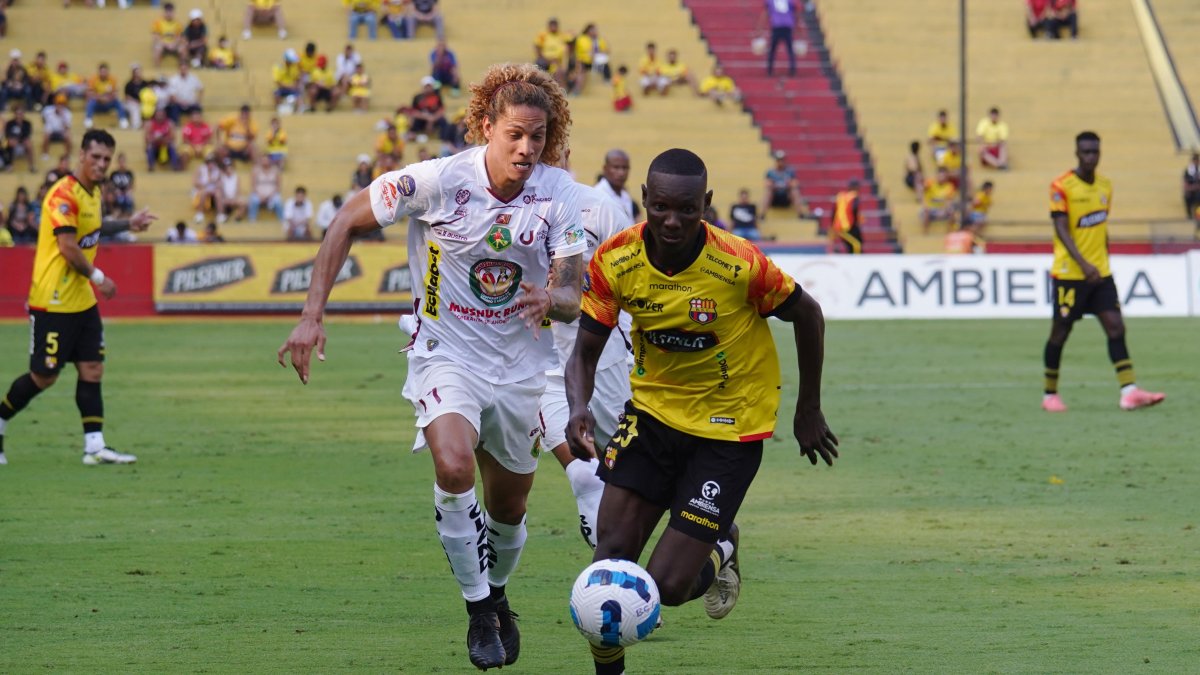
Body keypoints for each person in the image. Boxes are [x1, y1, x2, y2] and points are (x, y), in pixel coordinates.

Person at [277, 62, 585, 671]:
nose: (527, 148)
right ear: (485, 127)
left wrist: (554, 297)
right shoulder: (438, 181)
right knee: (450, 463)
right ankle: (477, 610)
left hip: (523, 367)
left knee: (511, 509)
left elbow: (574, 291)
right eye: (515, 134)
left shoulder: (560, 195)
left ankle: (497, 594)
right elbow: (345, 220)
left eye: (538, 137)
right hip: (446, 354)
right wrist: (312, 315)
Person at [564, 148, 838, 675]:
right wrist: (579, 407)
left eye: (687, 209)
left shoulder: (738, 263)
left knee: (667, 587)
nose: (672, 220)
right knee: (608, 564)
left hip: (730, 428)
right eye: (661, 206)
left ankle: (723, 546)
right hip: (652, 415)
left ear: (706, 205)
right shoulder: (615, 259)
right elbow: (585, 350)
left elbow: (808, 313)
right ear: (644, 200)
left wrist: (809, 409)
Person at [0, 129, 156, 467]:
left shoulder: (93, 193)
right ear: (81, 156)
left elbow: (94, 227)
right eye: (96, 157)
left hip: (81, 301)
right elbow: (68, 247)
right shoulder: (63, 195)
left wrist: (130, 223)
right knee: (44, 376)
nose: (101, 164)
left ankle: (94, 447)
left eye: (106, 159)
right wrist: (101, 278)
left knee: (92, 368)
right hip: (52, 300)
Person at [534, 180, 634, 551]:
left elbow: (637, 284)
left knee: (641, 471)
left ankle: (718, 537)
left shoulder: (599, 208)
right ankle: (620, 592)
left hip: (604, 363)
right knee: (587, 479)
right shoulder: (500, 211)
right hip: (538, 369)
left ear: (565, 150)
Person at [1042, 132, 1165, 413]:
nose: (1090, 157)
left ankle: (1129, 391)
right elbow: (1061, 228)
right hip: (1070, 275)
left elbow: (1100, 227)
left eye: (1094, 152)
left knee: (1116, 326)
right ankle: (1050, 394)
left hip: (1100, 274)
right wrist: (1084, 265)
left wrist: (1101, 262)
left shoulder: (1105, 186)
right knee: (1060, 332)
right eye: (1085, 152)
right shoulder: (1061, 186)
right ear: (1077, 153)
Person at [760, 149, 808, 220]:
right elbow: (767, 184)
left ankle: (800, 214)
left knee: (794, 191)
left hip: (786, 197)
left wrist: (781, 185)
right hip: (775, 197)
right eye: (779, 160)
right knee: (768, 192)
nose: (780, 162)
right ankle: (762, 215)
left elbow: (795, 184)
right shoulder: (770, 172)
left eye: (782, 160)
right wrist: (782, 185)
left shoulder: (790, 171)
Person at [594, 149, 638, 223]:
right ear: (605, 168)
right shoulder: (597, 195)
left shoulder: (625, 195)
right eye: (616, 167)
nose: (621, 173)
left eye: (625, 168)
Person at [84, 63, 130, 130]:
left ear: (107, 72)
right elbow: (90, 93)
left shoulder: (112, 79)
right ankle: (88, 120)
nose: (103, 73)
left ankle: (123, 120)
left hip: (108, 102)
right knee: (91, 102)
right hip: (98, 103)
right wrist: (101, 98)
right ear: (99, 72)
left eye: (105, 72)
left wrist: (107, 98)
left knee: (118, 102)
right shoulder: (93, 79)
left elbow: (115, 93)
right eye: (102, 72)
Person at [759, 0, 798, 77]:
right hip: (785, 27)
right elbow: (795, 14)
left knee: (773, 50)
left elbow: (766, 13)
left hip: (778, 27)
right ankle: (792, 69)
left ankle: (770, 70)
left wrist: (760, 27)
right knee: (789, 49)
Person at [829, 179, 862, 254]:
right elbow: (854, 209)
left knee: (851, 245)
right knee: (856, 244)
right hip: (846, 227)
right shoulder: (854, 196)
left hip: (838, 227)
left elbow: (834, 211)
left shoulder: (840, 196)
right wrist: (856, 221)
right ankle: (857, 261)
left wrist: (832, 225)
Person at [248, 154, 284, 222]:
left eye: (266, 160)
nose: (265, 162)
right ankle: (252, 219)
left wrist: (271, 195)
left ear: (270, 161)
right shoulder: (255, 170)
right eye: (263, 160)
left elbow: (278, 186)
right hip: (258, 194)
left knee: (278, 201)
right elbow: (253, 186)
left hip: (272, 194)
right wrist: (260, 195)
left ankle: (282, 220)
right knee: (253, 200)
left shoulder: (275, 170)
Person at [920, 166, 957, 232]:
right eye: (940, 175)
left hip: (942, 210)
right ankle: (925, 233)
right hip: (930, 209)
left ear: (946, 177)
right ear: (937, 175)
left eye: (944, 176)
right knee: (926, 212)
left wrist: (945, 209)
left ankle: (949, 233)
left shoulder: (950, 186)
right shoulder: (930, 183)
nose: (942, 178)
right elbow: (922, 192)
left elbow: (949, 201)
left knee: (952, 212)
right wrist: (924, 205)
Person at [151, 3, 185, 67]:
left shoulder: (178, 23)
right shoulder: (158, 22)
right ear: (164, 12)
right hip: (162, 44)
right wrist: (165, 44)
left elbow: (180, 36)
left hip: (174, 44)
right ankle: (157, 68)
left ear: (173, 12)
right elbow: (155, 36)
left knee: (183, 48)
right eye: (167, 11)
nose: (169, 13)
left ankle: (182, 67)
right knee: (157, 48)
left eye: (171, 11)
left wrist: (174, 44)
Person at [5, 107, 37, 173]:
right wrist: (14, 139)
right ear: (15, 114)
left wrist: (19, 139)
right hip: (13, 142)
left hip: (22, 142)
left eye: (21, 113)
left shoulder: (27, 123)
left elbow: (27, 134)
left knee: (29, 143)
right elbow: (7, 134)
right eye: (18, 113)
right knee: (10, 142)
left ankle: (32, 166)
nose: (19, 115)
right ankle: (9, 165)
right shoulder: (10, 123)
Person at [1181, 153, 1200, 220]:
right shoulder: (1188, 171)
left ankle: (1197, 216)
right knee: (1187, 196)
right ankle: (1189, 215)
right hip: (1192, 191)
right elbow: (1186, 185)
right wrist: (1194, 187)